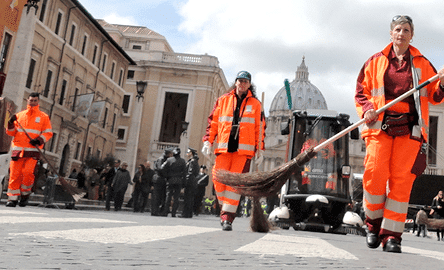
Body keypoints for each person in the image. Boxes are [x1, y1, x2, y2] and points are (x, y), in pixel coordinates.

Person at [355, 15, 444, 253]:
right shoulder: (374, 62)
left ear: (411, 35)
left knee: (401, 183)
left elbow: (436, 96)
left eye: (406, 30)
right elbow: (361, 93)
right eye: (397, 29)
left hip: (409, 131)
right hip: (379, 128)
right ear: (391, 33)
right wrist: (367, 110)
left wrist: (443, 83)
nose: (401, 33)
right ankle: (373, 225)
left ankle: (392, 236)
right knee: (374, 177)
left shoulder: (423, 63)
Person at [202, 70, 265, 231]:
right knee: (217, 178)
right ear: (235, 82)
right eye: (240, 80)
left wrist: (260, 150)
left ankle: (227, 219)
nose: (242, 84)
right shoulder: (222, 100)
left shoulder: (256, 105)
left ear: (249, 84)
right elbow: (213, 123)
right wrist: (208, 142)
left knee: (234, 186)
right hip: (223, 148)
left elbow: (260, 129)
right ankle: (224, 207)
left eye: (246, 81)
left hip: (243, 152)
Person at [5, 92, 53, 207]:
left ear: (38, 102)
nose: (32, 102)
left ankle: (25, 196)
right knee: (14, 174)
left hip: (32, 150)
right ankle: (12, 199)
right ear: (27, 101)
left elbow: (48, 132)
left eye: (35, 100)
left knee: (27, 173)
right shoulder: (19, 116)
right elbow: (11, 133)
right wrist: (10, 123)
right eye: (31, 100)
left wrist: (39, 140)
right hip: (17, 150)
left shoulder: (43, 117)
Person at [160, 147, 186, 217]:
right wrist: (183, 182)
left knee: (168, 196)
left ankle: (165, 212)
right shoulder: (183, 161)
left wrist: (166, 175)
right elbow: (185, 173)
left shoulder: (169, 160)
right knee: (176, 197)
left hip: (170, 179)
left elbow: (162, 168)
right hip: (179, 180)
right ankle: (173, 213)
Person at [151, 148, 172, 216]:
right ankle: (154, 211)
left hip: (161, 179)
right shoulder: (161, 159)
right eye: (171, 154)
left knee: (161, 196)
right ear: (168, 154)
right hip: (158, 179)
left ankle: (158, 211)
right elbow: (160, 169)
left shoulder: (165, 159)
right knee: (157, 196)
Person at [180, 148, 200, 218]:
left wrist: (185, 181)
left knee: (187, 198)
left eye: (188, 152)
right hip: (193, 181)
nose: (187, 153)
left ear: (191, 153)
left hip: (190, 181)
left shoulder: (192, 161)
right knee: (190, 198)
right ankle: (188, 214)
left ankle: (185, 214)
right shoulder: (195, 161)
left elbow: (190, 173)